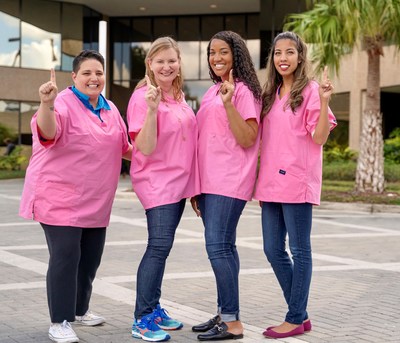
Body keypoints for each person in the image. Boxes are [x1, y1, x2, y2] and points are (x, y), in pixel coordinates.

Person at [19, 50, 132, 343]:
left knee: (90, 259)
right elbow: (48, 132)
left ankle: (80, 310)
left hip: (95, 201)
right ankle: (59, 321)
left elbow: (126, 148)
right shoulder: (62, 104)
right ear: (74, 77)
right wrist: (46, 103)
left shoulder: (110, 109)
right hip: (59, 198)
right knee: (66, 256)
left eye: (98, 73)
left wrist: (162, 159)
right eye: (87, 73)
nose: (94, 78)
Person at [254, 31, 337, 339]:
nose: (283, 58)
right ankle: (300, 313)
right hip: (270, 183)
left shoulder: (312, 90)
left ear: (300, 57)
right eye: (278, 53)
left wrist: (326, 101)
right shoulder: (269, 94)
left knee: (300, 250)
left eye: (290, 52)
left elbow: (319, 138)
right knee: (272, 249)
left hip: (298, 180)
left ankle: (294, 317)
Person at [190, 30, 262, 341]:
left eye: (223, 52)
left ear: (237, 55)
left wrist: (230, 103)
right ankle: (225, 313)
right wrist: (195, 186)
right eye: (211, 52)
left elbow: (247, 138)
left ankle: (232, 323)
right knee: (225, 248)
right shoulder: (212, 91)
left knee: (217, 247)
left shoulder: (243, 92)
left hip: (228, 181)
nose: (216, 58)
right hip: (208, 184)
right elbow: (203, 140)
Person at [126, 37, 200, 342]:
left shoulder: (179, 96)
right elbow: (143, 146)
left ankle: (154, 308)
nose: (166, 66)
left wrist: (195, 187)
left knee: (162, 248)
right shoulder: (144, 97)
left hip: (179, 184)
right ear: (150, 65)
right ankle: (142, 318)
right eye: (160, 61)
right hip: (157, 183)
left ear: (179, 62)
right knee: (157, 247)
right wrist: (153, 111)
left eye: (171, 60)